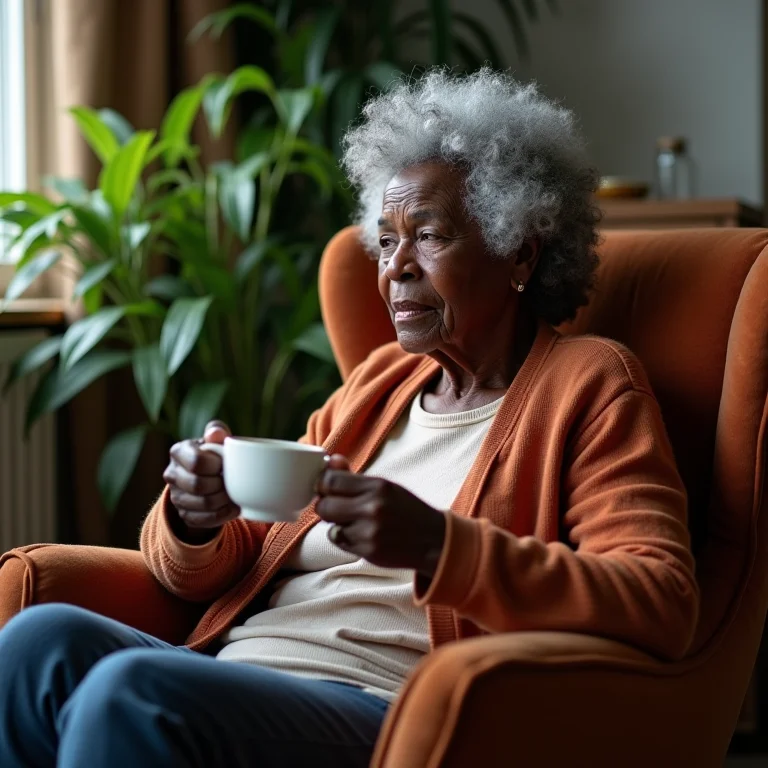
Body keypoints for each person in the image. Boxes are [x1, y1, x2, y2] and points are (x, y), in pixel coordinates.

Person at [0, 68, 699, 768]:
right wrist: (196, 517)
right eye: (387, 240)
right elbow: (241, 555)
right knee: (36, 642)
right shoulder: (380, 385)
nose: (397, 267)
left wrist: (438, 546)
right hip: (242, 670)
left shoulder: (590, 383)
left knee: (131, 691)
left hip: (387, 705)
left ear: (520, 249)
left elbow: (660, 600)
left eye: (429, 235)